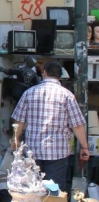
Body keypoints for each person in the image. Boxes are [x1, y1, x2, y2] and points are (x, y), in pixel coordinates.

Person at [11, 61, 90, 190]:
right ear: (60, 76)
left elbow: (19, 121)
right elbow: (77, 125)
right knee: (55, 191)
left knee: (32, 189)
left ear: (44, 73)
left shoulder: (29, 93)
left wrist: (16, 140)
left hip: (33, 151)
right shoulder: (67, 95)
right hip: (57, 152)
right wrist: (84, 147)